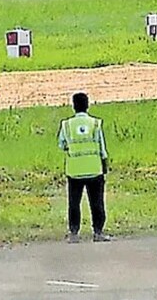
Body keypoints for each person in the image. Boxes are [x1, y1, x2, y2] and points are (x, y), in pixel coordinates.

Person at [58, 92, 111, 243]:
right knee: (97, 203)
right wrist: (104, 165)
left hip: (74, 171)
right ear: (88, 105)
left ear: (73, 106)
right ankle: (98, 232)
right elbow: (102, 148)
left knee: (74, 203)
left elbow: (62, 144)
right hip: (94, 169)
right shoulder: (95, 124)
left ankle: (74, 233)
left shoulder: (66, 125)